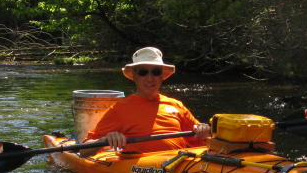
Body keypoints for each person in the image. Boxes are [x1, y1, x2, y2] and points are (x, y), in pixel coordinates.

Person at [79, 47, 211, 155]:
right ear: (134, 76)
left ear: (162, 76)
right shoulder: (120, 109)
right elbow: (84, 150)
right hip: (143, 169)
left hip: (179, 164)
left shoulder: (176, 105)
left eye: (155, 72)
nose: (150, 78)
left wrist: (203, 130)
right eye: (143, 72)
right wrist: (105, 139)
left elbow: (201, 140)